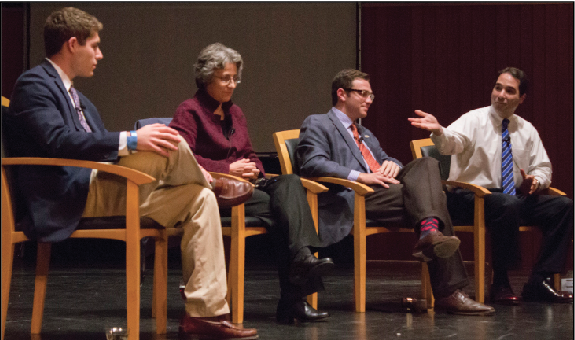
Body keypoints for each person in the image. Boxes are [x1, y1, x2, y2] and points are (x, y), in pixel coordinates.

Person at [5, 7, 258, 339]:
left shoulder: (80, 99)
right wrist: (134, 140)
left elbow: (98, 148)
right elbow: (58, 141)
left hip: (105, 185)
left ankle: (204, 315)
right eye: (94, 46)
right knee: (169, 141)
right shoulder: (34, 84)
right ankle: (210, 178)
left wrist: (133, 145)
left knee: (198, 200)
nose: (100, 54)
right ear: (71, 44)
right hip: (68, 195)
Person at [296, 69, 495, 315]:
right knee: (436, 198)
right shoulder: (318, 122)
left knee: (427, 164)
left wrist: (394, 165)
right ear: (341, 94)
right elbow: (313, 163)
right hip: (349, 197)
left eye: (371, 95)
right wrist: (361, 176)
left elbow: (384, 159)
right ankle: (449, 291)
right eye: (363, 93)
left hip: (383, 193)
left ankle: (430, 231)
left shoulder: (364, 132)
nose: (369, 100)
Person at [169, 43, 334, 324]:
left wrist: (255, 170)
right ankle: (294, 297)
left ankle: (300, 264)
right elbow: (182, 158)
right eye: (225, 79)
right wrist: (227, 168)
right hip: (215, 190)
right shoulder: (190, 111)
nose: (232, 84)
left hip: (247, 187)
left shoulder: (236, 113)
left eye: (235, 78)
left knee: (290, 182)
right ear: (207, 77)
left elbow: (249, 154)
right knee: (284, 212)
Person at [409, 67, 574, 305]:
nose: (501, 95)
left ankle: (540, 279)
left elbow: (543, 167)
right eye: (498, 87)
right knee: (506, 204)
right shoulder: (473, 119)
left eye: (509, 91)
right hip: (469, 198)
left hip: (513, 198)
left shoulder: (526, 130)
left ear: (521, 98)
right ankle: (501, 280)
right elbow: (451, 144)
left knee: (564, 206)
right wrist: (439, 132)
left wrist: (535, 181)